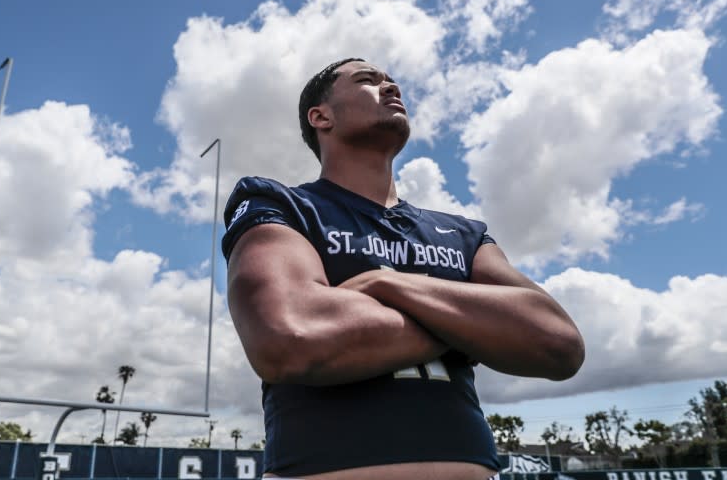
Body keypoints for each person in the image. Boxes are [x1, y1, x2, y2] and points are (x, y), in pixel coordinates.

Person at [221, 58, 585, 480]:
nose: (390, 87)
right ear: (320, 116)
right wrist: (474, 329)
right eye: (367, 81)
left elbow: (559, 344)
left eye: (392, 82)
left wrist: (385, 283)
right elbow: (290, 335)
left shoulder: (465, 234)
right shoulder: (281, 205)